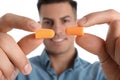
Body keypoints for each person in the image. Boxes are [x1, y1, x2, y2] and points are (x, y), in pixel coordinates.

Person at [0, 0, 120, 80]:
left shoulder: (102, 73)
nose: (57, 30)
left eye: (65, 21)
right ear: (39, 25)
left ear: (76, 23)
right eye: (48, 22)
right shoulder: (16, 72)